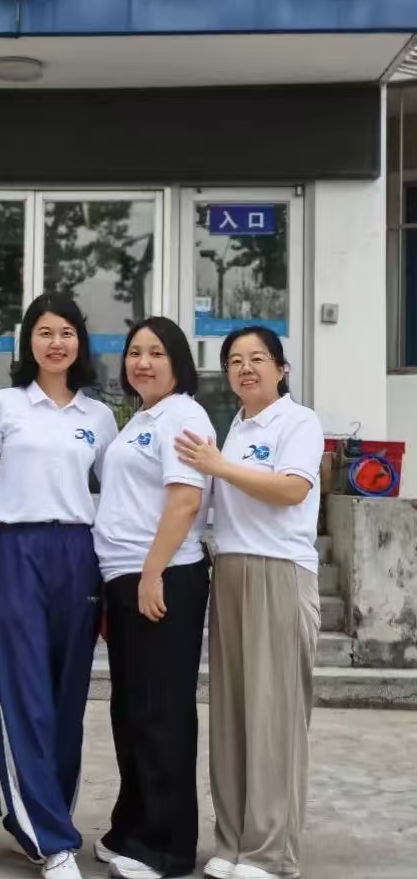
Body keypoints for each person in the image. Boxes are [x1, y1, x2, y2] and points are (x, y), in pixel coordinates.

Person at [175, 327, 324, 879]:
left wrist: (218, 466)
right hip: (231, 571)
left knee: (273, 716)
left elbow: (291, 489)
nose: (246, 368)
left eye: (258, 358)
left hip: (279, 571)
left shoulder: (298, 422)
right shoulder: (234, 428)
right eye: (235, 360)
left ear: (281, 369)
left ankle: (269, 851)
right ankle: (233, 840)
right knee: (233, 713)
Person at [0, 293, 118, 879]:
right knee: (24, 692)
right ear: (28, 341)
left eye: (65, 332)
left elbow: (118, 492)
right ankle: (55, 839)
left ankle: (44, 817)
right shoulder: (3, 405)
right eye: (44, 331)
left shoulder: (99, 416)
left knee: (67, 694)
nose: (55, 342)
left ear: (79, 342)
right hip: (18, 550)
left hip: (79, 554)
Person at [91, 317, 215, 879]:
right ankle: (132, 827)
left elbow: (185, 501)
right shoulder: (143, 417)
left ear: (178, 362)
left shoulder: (184, 415)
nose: (142, 362)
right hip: (126, 575)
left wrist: (151, 572)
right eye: (135, 352)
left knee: (162, 711)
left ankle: (166, 848)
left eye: (156, 352)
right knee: (132, 709)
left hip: (163, 577)